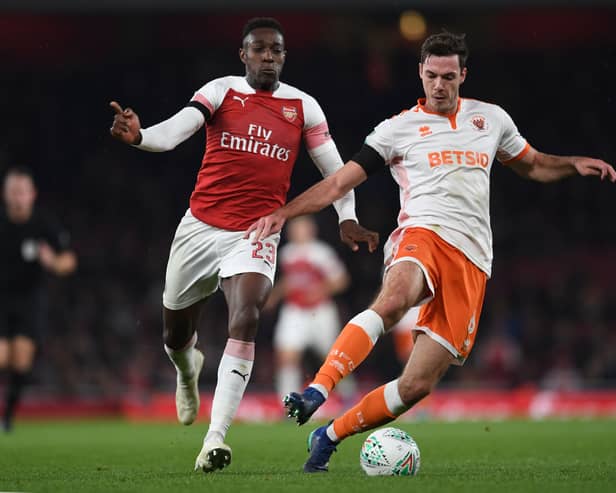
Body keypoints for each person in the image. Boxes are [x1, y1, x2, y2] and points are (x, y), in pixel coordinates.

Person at [246, 31, 616, 472]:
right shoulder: (396, 129)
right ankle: (317, 390)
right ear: (420, 73)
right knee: (395, 297)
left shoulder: (490, 119)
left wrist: (571, 163)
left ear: (463, 75)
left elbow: (532, 164)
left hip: (473, 260)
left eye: (448, 76)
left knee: (416, 384)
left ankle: (328, 435)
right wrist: (285, 213)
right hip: (422, 233)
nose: (439, 85)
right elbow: (339, 183)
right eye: (431, 75)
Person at [108, 17, 378, 472]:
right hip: (200, 227)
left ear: (284, 56)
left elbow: (337, 173)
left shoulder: (303, 107)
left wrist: (347, 218)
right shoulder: (221, 91)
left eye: (276, 50)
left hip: (255, 231)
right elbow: (176, 131)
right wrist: (140, 137)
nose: (268, 56)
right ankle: (187, 369)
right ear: (244, 54)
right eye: (259, 49)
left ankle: (214, 439)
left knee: (248, 314)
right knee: (174, 336)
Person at [0, 166, 77, 432]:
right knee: (2, 357)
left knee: (20, 361)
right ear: (5, 194)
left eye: (22, 191)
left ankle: (7, 417)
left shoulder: (43, 224)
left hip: (30, 300)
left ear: (32, 194)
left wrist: (52, 261)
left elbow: (68, 261)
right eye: (13, 191)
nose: (18, 196)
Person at [267, 215, 351, 401]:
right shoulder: (287, 253)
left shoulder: (321, 253)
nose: (298, 232)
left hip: (319, 311)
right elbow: (290, 281)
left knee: (332, 358)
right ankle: (287, 402)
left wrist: (320, 290)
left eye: (302, 228)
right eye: (295, 228)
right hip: (295, 310)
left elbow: (341, 280)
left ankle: (348, 396)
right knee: (287, 356)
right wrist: (274, 296)